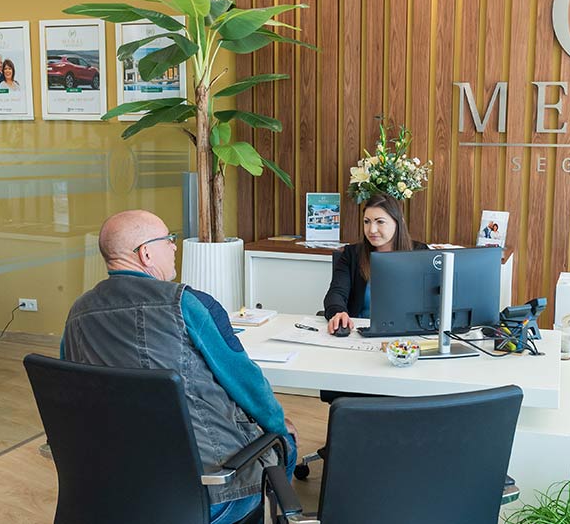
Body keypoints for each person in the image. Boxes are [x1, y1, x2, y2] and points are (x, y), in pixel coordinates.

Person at [61, 210, 296, 524]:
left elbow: (71, 395)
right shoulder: (186, 303)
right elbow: (247, 384)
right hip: (209, 492)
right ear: (146, 253)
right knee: (285, 443)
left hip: (114, 490)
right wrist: (280, 431)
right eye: (168, 240)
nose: (174, 247)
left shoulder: (77, 314)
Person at [323, 193, 426, 333]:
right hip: (361, 331)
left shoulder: (420, 253)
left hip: (407, 334)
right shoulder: (352, 254)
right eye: (367, 221)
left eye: (380, 222)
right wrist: (338, 312)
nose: (371, 230)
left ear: (398, 222)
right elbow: (336, 293)